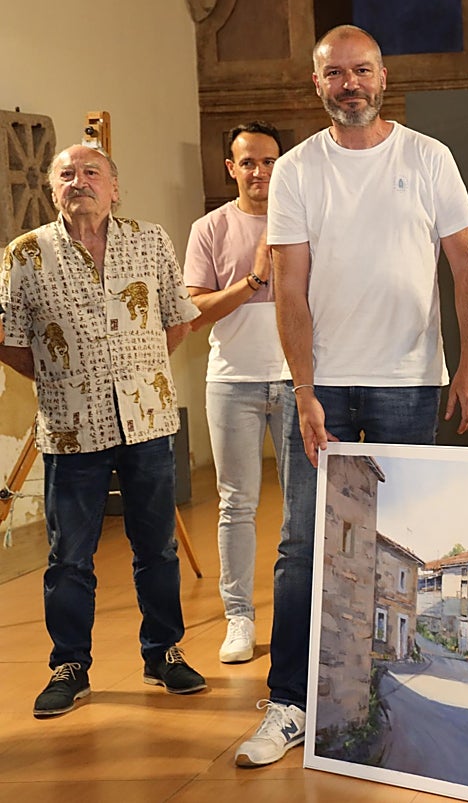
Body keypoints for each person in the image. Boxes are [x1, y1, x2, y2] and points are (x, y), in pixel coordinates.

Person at [235, 24, 468, 767]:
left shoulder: (428, 158)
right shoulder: (299, 171)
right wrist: (303, 390)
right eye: (335, 74)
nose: (350, 84)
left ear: (383, 77)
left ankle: (373, 696)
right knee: (304, 545)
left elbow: (467, 269)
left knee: (391, 547)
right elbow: (289, 286)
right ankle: (288, 703)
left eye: (362, 70)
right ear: (317, 84)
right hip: (323, 387)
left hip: (410, 383)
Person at [0, 144, 206, 717]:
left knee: (157, 547)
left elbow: (177, 320)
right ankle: (70, 666)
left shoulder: (152, 240)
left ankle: (164, 653)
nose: (79, 181)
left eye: (92, 172)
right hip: (70, 430)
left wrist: (136, 371)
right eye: (67, 174)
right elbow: (10, 338)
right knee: (70, 556)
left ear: (115, 187)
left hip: (148, 422)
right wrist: (65, 376)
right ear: (52, 189)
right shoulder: (25, 254)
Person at [184, 121, 287, 664]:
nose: (259, 172)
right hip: (232, 384)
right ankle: (239, 618)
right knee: (236, 505)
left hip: (299, 383)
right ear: (231, 168)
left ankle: (300, 617)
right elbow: (193, 312)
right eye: (248, 162)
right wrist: (251, 281)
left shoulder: (303, 220)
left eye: (268, 161)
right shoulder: (210, 228)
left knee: (304, 507)